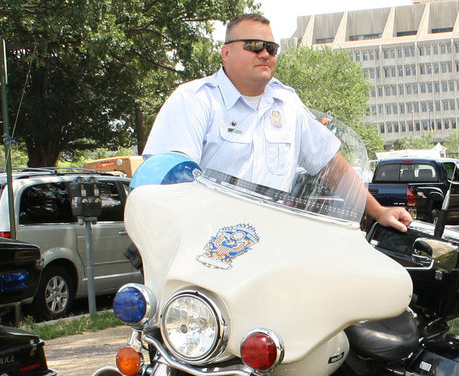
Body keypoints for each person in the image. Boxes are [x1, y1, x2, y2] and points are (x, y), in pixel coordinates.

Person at [143, 13, 413, 231]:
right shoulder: (194, 101)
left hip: (272, 242)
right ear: (225, 53)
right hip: (210, 243)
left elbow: (330, 164)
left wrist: (378, 211)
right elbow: (168, 180)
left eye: (271, 48)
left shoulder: (287, 104)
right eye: (253, 46)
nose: (264, 54)